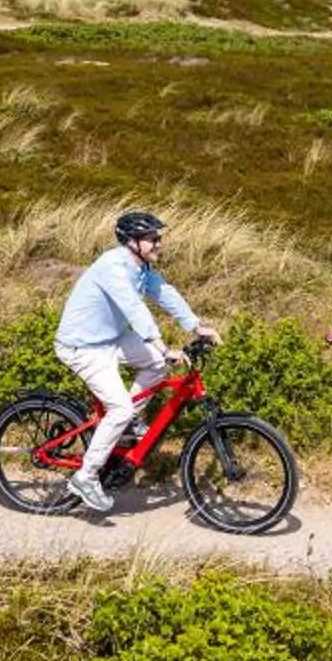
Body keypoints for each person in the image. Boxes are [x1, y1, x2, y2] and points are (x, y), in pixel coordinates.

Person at [53, 209, 216, 516]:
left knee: (156, 364)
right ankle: (85, 477)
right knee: (121, 406)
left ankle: (126, 425)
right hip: (82, 346)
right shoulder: (112, 267)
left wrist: (196, 326)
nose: (159, 244)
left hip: (109, 339)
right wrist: (162, 344)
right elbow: (133, 309)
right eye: (153, 239)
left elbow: (165, 294)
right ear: (132, 242)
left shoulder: (141, 269)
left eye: (159, 238)